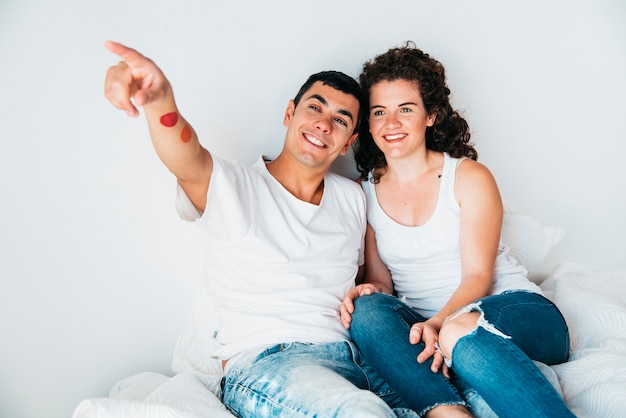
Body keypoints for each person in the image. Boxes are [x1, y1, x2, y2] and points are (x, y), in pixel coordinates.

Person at [103, 41, 423, 418]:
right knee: (359, 412)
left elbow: (373, 281)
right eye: (315, 107)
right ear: (290, 113)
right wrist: (159, 100)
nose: (324, 123)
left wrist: (373, 290)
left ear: (348, 143)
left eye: (340, 120)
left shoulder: (354, 197)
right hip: (271, 362)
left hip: (356, 360)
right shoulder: (236, 186)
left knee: (458, 405)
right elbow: (185, 158)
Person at [340, 42, 575, 418]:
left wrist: (439, 324)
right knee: (366, 312)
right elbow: (383, 280)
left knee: (456, 333)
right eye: (379, 111)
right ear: (368, 122)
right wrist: (373, 290)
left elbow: (478, 276)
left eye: (406, 109)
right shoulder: (363, 191)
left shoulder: (467, 177)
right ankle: (447, 412)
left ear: (431, 115)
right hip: (428, 326)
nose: (391, 123)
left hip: (518, 312)